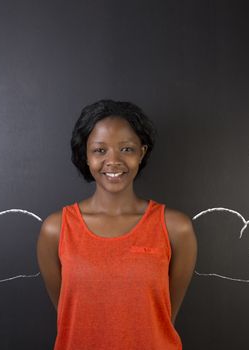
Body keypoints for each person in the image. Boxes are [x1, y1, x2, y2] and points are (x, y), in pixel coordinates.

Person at [37, 99, 197, 349]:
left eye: (126, 149)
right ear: (86, 156)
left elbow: (164, 317)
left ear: (141, 152)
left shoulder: (175, 228)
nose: (113, 161)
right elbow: (67, 312)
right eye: (100, 150)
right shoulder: (56, 229)